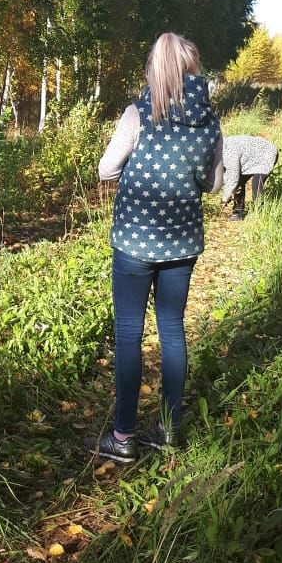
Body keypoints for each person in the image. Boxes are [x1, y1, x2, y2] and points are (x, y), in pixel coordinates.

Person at [91, 33, 223, 464]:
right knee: (172, 330)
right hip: (182, 244)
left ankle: (124, 436)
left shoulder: (139, 114)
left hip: (133, 242)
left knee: (129, 333)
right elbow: (215, 183)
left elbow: (106, 168)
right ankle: (167, 430)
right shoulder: (208, 120)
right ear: (191, 69)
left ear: (155, 69)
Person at [220, 135, 279, 220]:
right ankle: (238, 212)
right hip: (250, 159)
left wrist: (225, 198)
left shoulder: (229, 152)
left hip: (267, 153)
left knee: (257, 184)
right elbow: (228, 175)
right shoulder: (220, 149)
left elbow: (233, 178)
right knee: (239, 184)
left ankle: (260, 214)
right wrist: (228, 192)